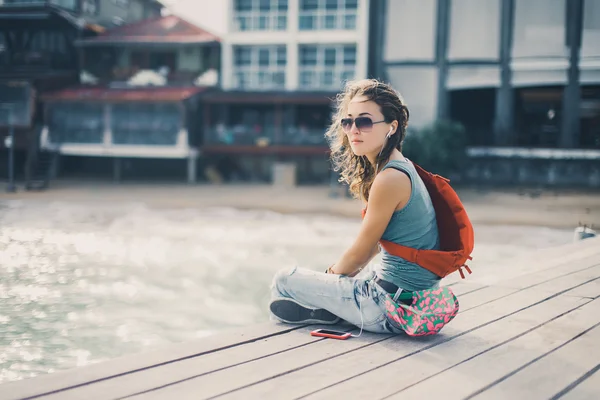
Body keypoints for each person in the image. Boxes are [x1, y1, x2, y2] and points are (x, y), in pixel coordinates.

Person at [269, 79, 441, 334]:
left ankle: (328, 315)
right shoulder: (401, 167)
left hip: (388, 310)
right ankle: (332, 312)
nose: (353, 130)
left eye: (364, 121)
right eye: (348, 121)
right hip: (412, 305)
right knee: (360, 275)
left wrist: (329, 277)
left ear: (391, 127)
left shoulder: (390, 178)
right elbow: (373, 248)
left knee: (283, 280)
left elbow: (361, 253)